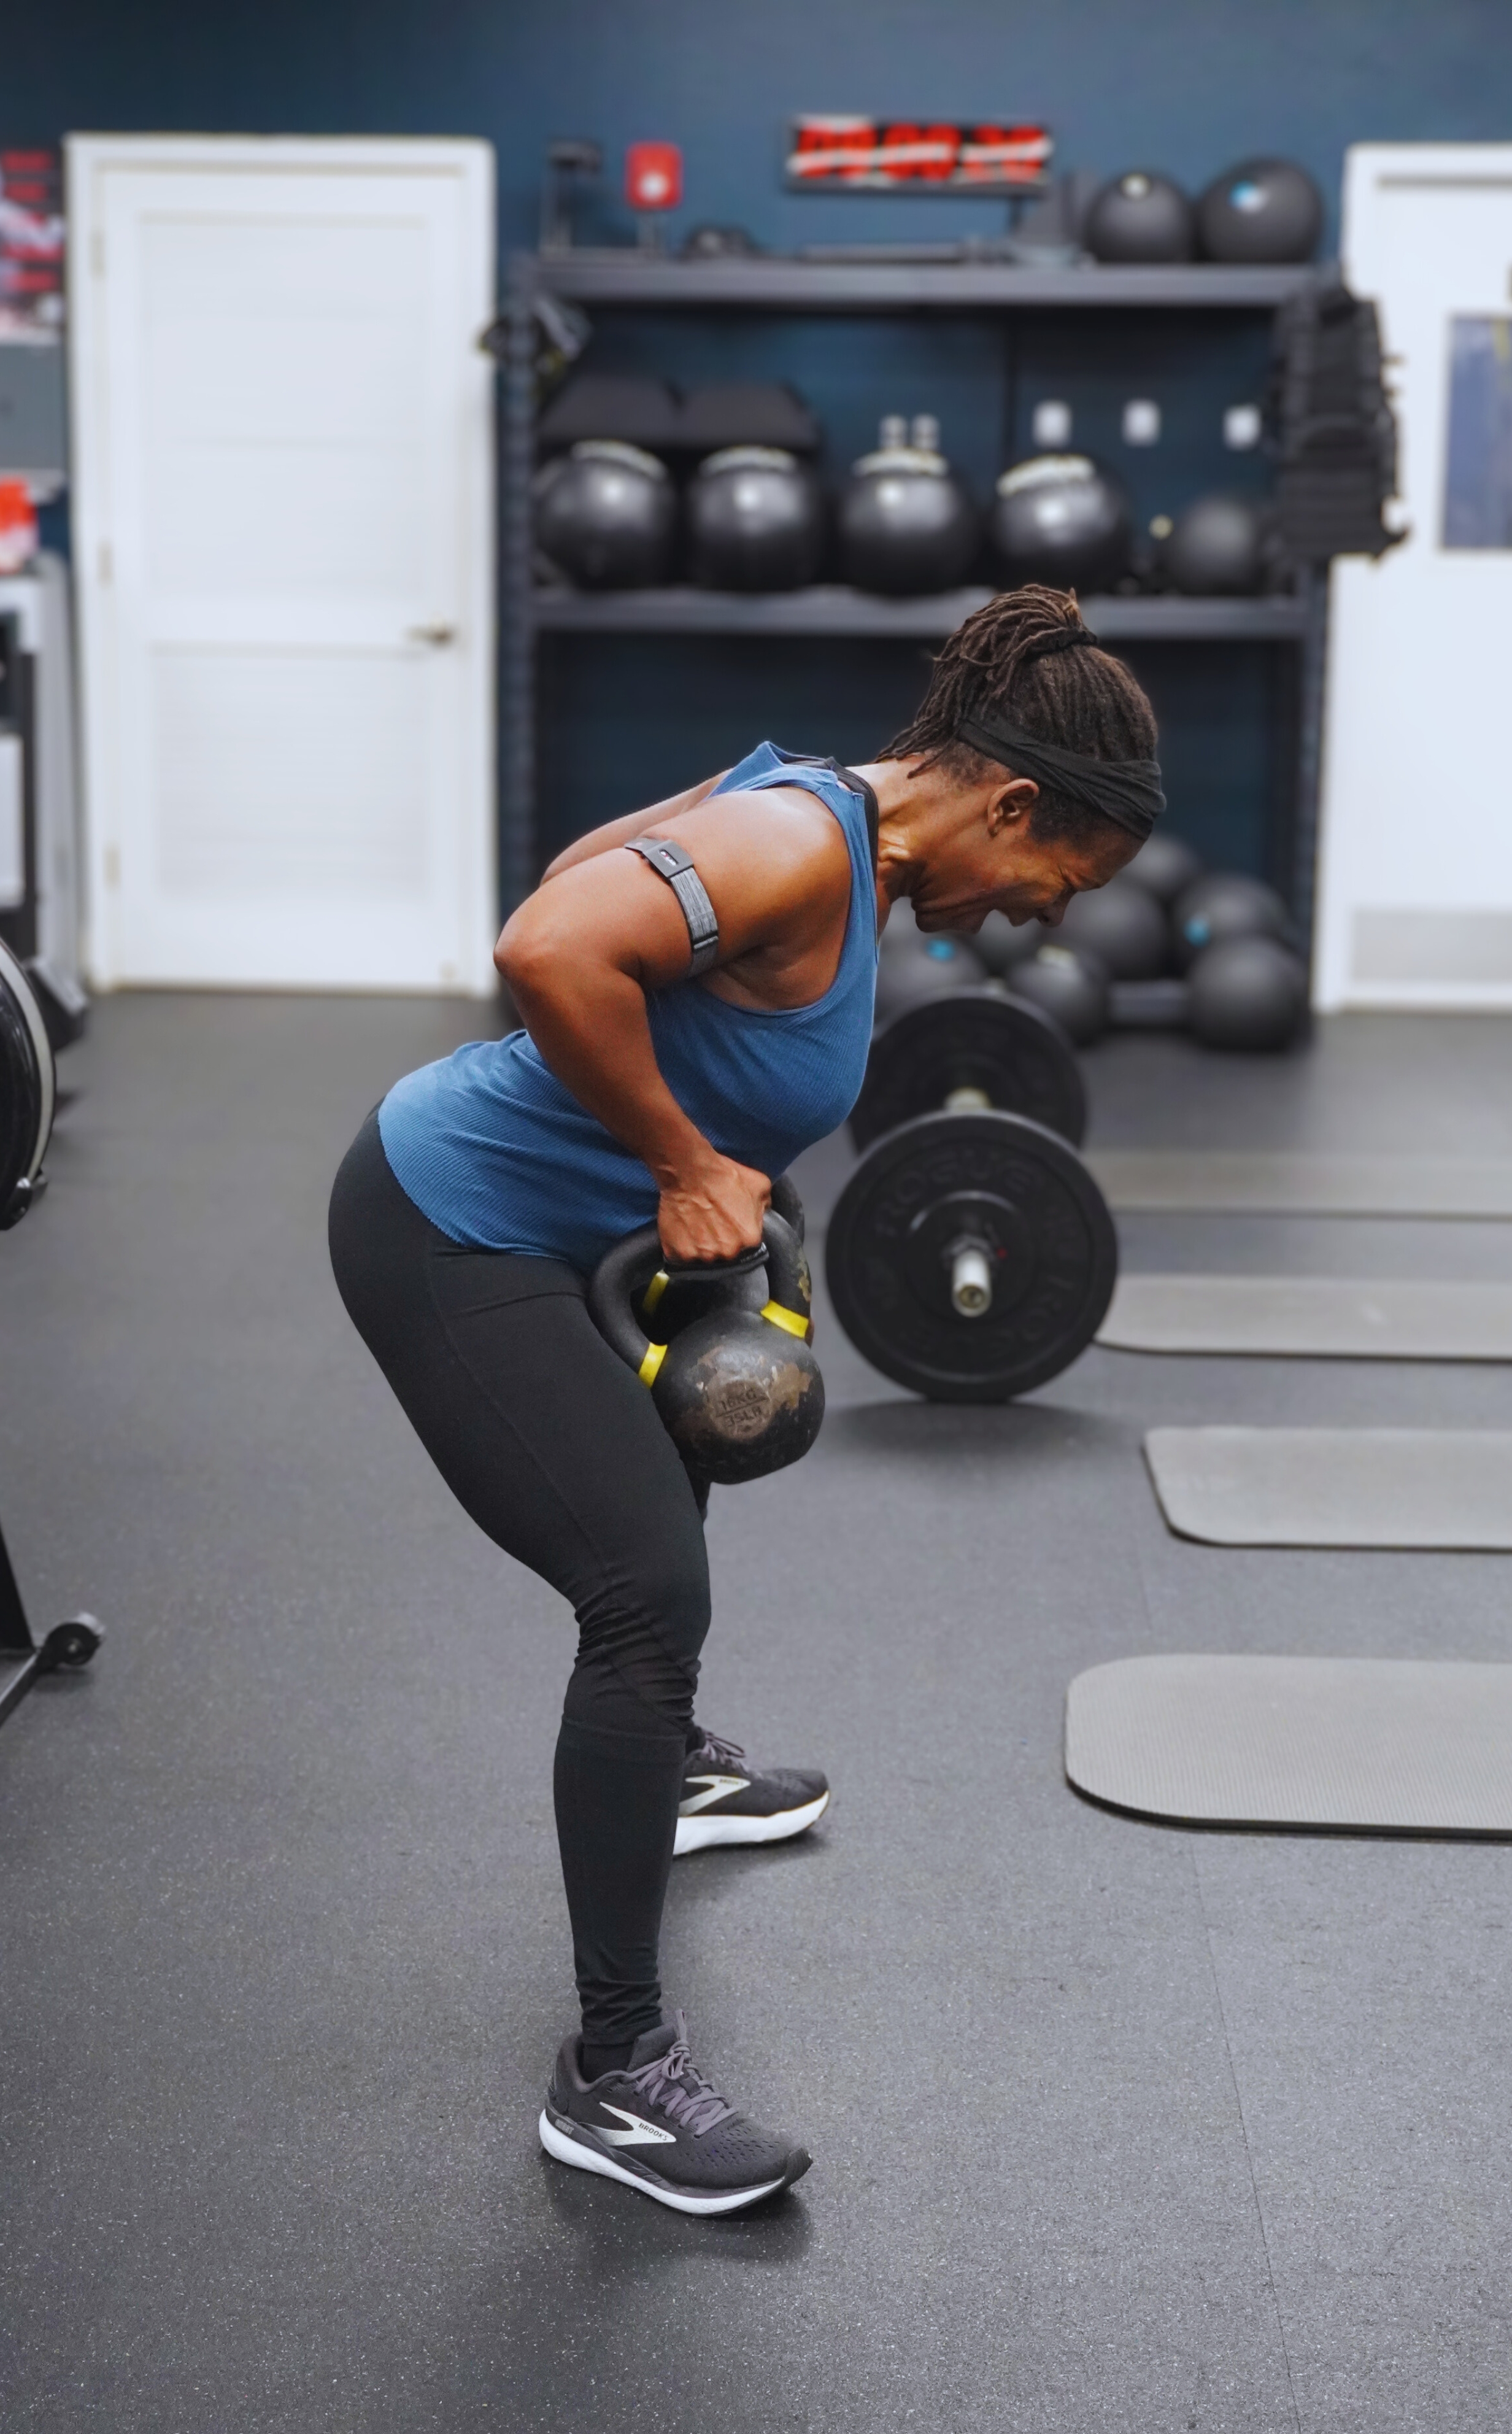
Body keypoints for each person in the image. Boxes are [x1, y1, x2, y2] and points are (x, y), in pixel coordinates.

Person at [328, 584, 1162, 2216]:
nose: (1034, 917)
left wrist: (706, 1162)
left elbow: (587, 877)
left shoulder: (827, 823)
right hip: (452, 1222)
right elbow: (545, 945)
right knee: (643, 1592)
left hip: (572, 1232)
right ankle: (615, 2076)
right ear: (1009, 805)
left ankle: (677, 1776)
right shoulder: (796, 841)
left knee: (680, 1469)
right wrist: (682, 1160)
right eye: (1054, 881)